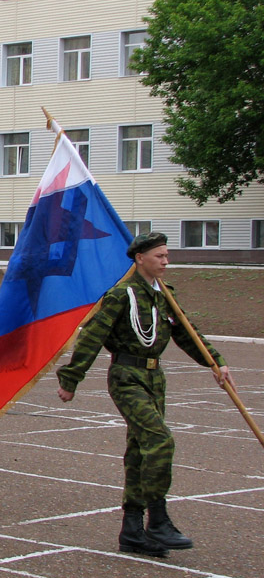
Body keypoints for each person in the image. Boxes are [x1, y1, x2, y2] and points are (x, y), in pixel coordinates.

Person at [56, 233, 232, 557]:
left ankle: (133, 530)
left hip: (155, 378)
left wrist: (215, 362)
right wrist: (72, 378)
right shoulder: (121, 295)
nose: (165, 261)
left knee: (139, 450)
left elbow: (187, 333)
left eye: (167, 256)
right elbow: (93, 337)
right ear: (140, 258)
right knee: (159, 439)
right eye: (159, 256)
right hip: (127, 377)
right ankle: (159, 520)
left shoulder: (165, 295)